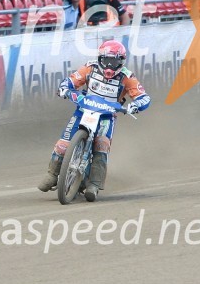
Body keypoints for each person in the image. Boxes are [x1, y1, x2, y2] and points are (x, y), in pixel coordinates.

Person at [37, 41, 151, 201]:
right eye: (106, 60)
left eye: (114, 61)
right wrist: (64, 88)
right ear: (100, 59)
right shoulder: (90, 68)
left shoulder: (127, 77)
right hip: (83, 110)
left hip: (107, 117)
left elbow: (143, 97)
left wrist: (136, 105)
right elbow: (71, 80)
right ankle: (52, 175)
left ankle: (94, 184)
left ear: (121, 61)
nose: (109, 66)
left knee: (101, 147)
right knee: (63, 144)